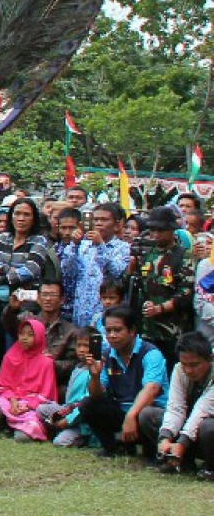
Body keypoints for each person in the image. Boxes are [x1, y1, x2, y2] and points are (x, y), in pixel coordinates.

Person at [0, 197, 55, 378]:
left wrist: (0, 277)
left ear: (34, 218)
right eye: (17, 213)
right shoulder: (2, 238)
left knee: (13, 351)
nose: (21, 218)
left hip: (22, 307)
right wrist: (9, 271)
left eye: (26, 214)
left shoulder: (39, 241)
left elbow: (31, 270)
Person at [77, 306, 167, 461]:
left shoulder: (151, 353)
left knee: (146, 414)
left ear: (132, 330)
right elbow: (97, 394)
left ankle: (154, 453)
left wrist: (131, 415)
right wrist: (95, 377)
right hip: (122, 413)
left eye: (118, 330)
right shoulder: (106, 356)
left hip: (150, 414)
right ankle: (116, 448)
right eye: (108, 330)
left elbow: (151, 389)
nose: (112, 335)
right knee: (88, 404)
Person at [0, 316, 60, 441]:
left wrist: (27, 406)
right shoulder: (11, 355)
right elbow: (2, 385)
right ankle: (3, 426)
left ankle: (19, 428)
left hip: (31, 407)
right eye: (21, 334)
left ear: (39, 337)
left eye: (30, 334)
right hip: (10, 400)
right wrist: (12, 400)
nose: (24, 338)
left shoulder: (46, 362)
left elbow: (46, 394)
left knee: (22, 438)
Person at [133, 205, 195, 362]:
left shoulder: (183, 255)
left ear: (171, 230)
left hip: (173, 329)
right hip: (147, 329)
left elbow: (186, 292)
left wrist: (160, 308)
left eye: (160, 230)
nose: (155, 235)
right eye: (152, 230)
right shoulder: (146, 253)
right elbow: (135, 284)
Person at [155, 331, 214, 480]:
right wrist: (165, 437)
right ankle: (177, 460)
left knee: (208, 427)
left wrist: (182, 442)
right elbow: (176, 406)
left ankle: (210, 468)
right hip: (192, 427)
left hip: (204, 427)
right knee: (149, 416)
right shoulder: (178, 370)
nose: (188, 370)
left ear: (210, 359)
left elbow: (203, 408)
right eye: (184, 364)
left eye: (194, 365)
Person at [3, 281, 81, 390]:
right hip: (24, 379)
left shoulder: (71, 331)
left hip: (52, 383)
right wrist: (12, 310)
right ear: (38, 299)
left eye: (52, 295)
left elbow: (73, 364)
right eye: (44, 295)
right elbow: (9, 326)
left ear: (62, 300)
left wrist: (49, 364)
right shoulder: (28, 320)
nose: (48, 299)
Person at [66, 201, 131, 332]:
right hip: (81, 311)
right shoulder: (83, 245)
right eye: (96, 219)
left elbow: (114, 272)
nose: (99, 223)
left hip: (106, 313)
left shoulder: (123, 248)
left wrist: (100, 246)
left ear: (117, 225)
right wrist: (74, 245)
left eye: (104, 220)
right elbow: (69, 272)